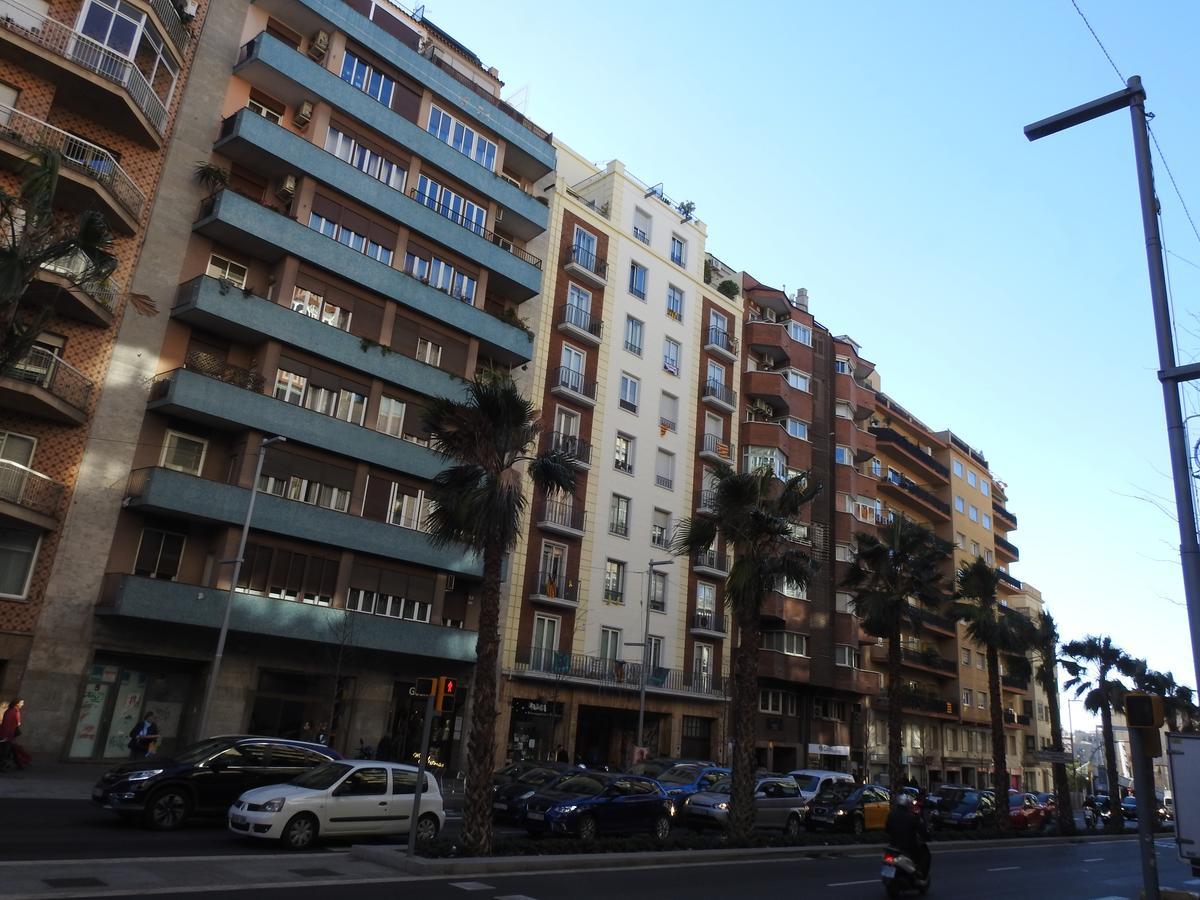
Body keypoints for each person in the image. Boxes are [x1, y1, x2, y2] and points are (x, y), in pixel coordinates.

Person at [886, 791, 931, 879]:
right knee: (925, 855)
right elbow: (921, 829)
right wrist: (927, 836)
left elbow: (887, 829)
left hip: (893, 844)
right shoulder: (911, 817)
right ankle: (921, 874)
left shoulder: (891, 815)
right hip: (907, 846)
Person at [0, 698, 30, 770]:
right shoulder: (13, 711)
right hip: (7, 735)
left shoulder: (13, 711)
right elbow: (7, 724)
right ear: (17, 703)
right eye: (21, 703)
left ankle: (7, 765)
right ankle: (2, 766)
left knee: (7, 751)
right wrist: (5, 736)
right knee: (4, 752)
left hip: (8, 735)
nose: (22, 704)